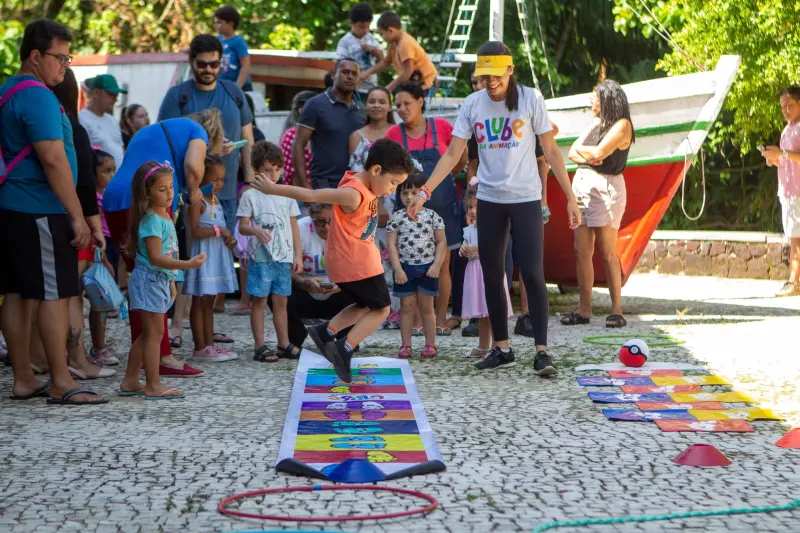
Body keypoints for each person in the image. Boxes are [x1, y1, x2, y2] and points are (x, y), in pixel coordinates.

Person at [406, 41, 582, 377]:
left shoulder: (531, 99)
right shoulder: (473, 104)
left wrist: (570, 197)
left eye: (496, 76)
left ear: (510, 70)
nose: (491, 83)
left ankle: (541, 352)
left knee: (531, 272)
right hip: (489, 200)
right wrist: (425, 190)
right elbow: (452, 154)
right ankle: (502, 348)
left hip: (526, 198)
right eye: (484, 76)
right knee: (492, 274)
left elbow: (552, 151)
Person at [0, 19, 105, 405]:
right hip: (40, 209)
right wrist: (77, 215)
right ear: (35, 56)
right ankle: (61, 381)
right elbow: (54, 160)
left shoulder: (7, 90)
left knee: (15, 293)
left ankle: (25, 378)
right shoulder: (39, 96)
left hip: (11, 207)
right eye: (60, 58)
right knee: (54, 295)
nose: (65, 66)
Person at [252, 138, 415, 382]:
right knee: (381, 309)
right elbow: (312, 193)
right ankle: (344, 347)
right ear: (377, 170)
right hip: (357, 262)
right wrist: (274, 189)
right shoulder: (353, 193)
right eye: (392, 183)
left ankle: (325, 332)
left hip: (348, 261)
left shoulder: (362, 182)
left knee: (362, 305)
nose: (392, 190)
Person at [104, 110, 224, 377]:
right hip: (146, 201)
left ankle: (144, 363)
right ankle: (162, 357)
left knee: (140, 276)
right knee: (155, 279)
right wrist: (194, 193)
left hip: (114, 198)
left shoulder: (151, 129)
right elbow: (194, 166)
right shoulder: (197, 132)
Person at [48, 67, 116, 381]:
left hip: (42, 215)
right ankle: (76, 357)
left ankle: (47, 359)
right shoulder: (71, 127)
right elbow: (84, 181)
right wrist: (92, 225)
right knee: (71, 294)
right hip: (70, 220)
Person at [118, 161, 207, 399]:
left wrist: (170, 282)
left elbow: (165, 254)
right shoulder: (151, 221)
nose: (169, 193)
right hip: (149, 281)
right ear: (147, 191)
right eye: (162, 189)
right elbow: (156, 258)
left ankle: (130, 381)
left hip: (157, 281)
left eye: (171, 187)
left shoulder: (163, 217)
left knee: (147, 334)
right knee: (154, 335)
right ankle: (153, 384)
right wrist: (187, 265)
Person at [386, 82, 466, 335]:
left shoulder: (442, 127)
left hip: (443, 207)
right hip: (408, 212)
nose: (401, 109)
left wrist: (444, 179)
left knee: (442, 264)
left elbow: (459, 157)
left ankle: (439, 320)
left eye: (407, 103)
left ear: (421, 101)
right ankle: (417, 322)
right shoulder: (393, 135)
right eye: (397, 105)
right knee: (412, 264)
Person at [158, 33, 255, 235]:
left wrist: (249, 182)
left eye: (214, 64)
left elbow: (248, 140)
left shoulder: (234, 91)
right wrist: (209, 150)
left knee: (225, 253)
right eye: (202, 64)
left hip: (228, 192)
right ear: (192, 62)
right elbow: (166, 144)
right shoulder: (178, 96)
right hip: (189, 194)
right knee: (190, 256)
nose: (209, 69)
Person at [563, 80, 634, 328]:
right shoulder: (597, 123)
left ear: (605, 99)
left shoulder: (622, 125)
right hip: (583, 187)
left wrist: (590, 154)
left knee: (607, 250)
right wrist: (589, 154)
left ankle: (617, 309)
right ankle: (584, 310)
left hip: (606, 189)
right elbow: (572, 152)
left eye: (594, 97)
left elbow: (599, 154)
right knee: (581, 250)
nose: (591, 102)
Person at [237, 141, 302, 362]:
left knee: (281, 302)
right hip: (262, 257)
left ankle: (283, 343)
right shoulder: (250, 196)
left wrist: (298, 255)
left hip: (283, 257)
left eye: (276, 169)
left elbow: (294, 227)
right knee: (259, 301)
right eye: (267, 170)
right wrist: (256, 231)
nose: (273, 174)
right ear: (256, 170)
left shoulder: (286, 194)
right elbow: (242, 226)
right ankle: (260, 345)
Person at [267, 203, 356, 347]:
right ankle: (294, 335)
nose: (326, 227)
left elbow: (359, 269)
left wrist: (342, 285)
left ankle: (345, 337)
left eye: (331, 221)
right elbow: (282, 269)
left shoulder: (349, 230)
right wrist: (303, 283)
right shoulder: (299, 229)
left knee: (362, 288)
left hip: (338, 293)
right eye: (320, 221)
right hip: (304, 292)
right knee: (275, 287)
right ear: (310, 214)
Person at [183, 155, 240, 362]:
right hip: (203, 256)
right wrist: (220, 230)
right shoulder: (197, 201)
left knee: (209, 302)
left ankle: (209, 344)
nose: (219, 184)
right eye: (214, 179)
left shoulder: (215, 201)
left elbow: (220, 230)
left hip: (216, 254)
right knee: (199, 301)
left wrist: (229, 239)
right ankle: (199, 346)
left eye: (221, 179)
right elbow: (196, 231)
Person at [387, 174, 446, 358]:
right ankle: (406, 345)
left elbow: (442, 242)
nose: (410, 197)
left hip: (428, 268)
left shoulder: (432, 216)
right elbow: (391, 245)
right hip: (405, 269)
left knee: (427, 308)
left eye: (415, 192)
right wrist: (397, 268)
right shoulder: (396, 218)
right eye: (405, 193)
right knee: (407, 307)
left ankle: (430, 344)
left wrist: (437, 264)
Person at [294, 59, 366, 190]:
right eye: (345, 72)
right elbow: (298, 145)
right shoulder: (314, 104)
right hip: (324, 185)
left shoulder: (362, 110)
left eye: (354, 74)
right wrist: (305, 186)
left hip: (357, 186)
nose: (350, 76)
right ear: (333, 75)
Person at [459, 184, 513, 359]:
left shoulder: (493, 229)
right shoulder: (468, 230)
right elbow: (468, 248)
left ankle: (497, 345)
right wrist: (464, 250)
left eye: (476, 207)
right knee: (482, 313)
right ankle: (483, 347)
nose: (472, 211)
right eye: (469, 207)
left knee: (492, 310)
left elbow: (495, 249)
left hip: (489, 271)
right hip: (475, 272)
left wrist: (477, 249)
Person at [762, 86, 800, 297]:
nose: (786, 110)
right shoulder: (787, 129)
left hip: (798, 192)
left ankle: (793, 283)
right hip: (787, 190)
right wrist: (774, 159)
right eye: (783, 107)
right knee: (794, 236)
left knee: (796, 238)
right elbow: (788, 161)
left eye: (790, 105)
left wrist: (783, 153)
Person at [88, 147, 120, 365]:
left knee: (104, 302)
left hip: (112, 247)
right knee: (97, 300)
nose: (111, 176)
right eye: (106, 171)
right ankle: (97, 348)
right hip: (99, 249)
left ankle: (99, 345)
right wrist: (105, 258)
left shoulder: (111, 195)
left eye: (113, 171)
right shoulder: (92, 199)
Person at [360, 12, 438, 94]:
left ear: (390, 30)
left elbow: (407, 72)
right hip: (413, 82)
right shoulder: (394, 43)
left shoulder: (405, 44)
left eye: (382, 34)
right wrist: (366, 73)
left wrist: (388, 89)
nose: (382, 38)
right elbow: (386, 63)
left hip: (426, 83)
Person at [79, 73, 127, 168]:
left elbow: (121, 150)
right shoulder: (82, 119)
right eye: (111, 94)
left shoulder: (112, 120)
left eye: (116, 95)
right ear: (96, 93)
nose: (115, 100)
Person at [336, 3, 384, 96]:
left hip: (371, 87)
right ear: (351, 23)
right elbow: (340, 65)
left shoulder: (370, 38)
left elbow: (383, 59)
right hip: (354, 89)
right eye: (361, 27)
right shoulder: (345, 42)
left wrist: (372, 49)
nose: (365, 30)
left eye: (367, 27)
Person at [280, 90, 317, 186]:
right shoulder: (292, 135)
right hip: (300, 195)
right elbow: (294, 176)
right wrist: (307, 195)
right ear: (302, 111)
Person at [213, 5, 252, 91]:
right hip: (222, 86)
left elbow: (245, 66)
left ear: (230, 24)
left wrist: (237, 87)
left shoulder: (238, 42)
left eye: (219, 22)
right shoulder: (217, 40)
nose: (215, 25)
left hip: (240, 87)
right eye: (215, 22)